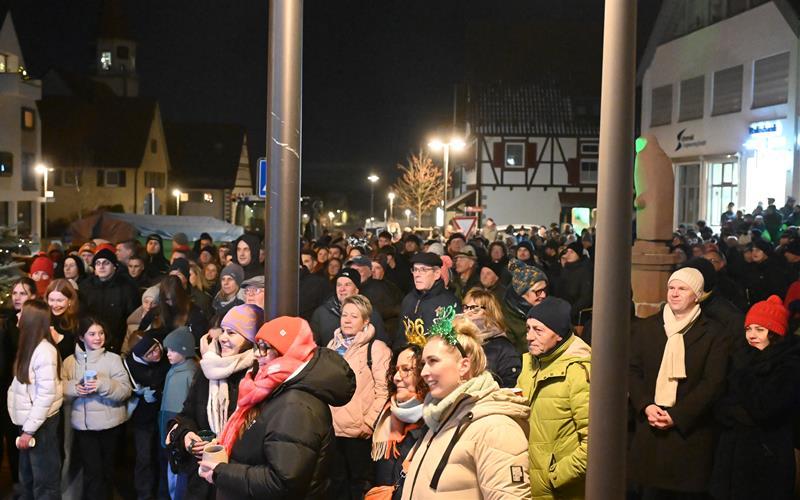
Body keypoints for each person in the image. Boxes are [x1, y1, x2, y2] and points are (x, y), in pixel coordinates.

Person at [196, 316, 357, 498]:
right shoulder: (273, 390)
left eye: (266, 347)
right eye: (257, 346)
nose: (257, 354)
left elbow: (282, 482)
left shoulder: (297, 406)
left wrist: (222, 472)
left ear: (288, 352)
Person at [401, 314, 531, 499]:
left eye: (433, 361)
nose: (423, 372)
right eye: (423, 363)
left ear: (463, 366)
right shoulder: (441, 418)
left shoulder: (496, 428)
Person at [628, 268, 730, 497]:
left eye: (682, 288)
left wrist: (677, 416)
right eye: (671, 288)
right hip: (650, 429)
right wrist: (646, 405)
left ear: (697, 294)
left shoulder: (714, 333)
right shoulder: (647, 327)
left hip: (689, 435)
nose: (674, 293)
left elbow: (713, 383)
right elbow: (632, 371)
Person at [709, 296, 800, 499]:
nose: (752, 335)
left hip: (767, 454)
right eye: (749, 328)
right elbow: (720, 401)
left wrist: (743, 378)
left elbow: (766, 408)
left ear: (775, 332)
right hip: (733, 452)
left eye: (760, 329)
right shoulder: (742, 356)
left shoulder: (789, 364)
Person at [169, 304, 261, 499]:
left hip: (239, 481)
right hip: (202, 478)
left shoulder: (258, 375)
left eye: (233, 333)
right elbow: (187, 415)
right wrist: (187, 435)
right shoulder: (208, 371)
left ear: (250, 339)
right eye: (224, 331)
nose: (223, 338)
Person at [518, 297, 590, 498]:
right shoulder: (531, 365)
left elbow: (594, 442)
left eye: (538, 330)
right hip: (527, 484)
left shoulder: (579, 372)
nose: (530, 337)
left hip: (560, 490)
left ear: (558, 334)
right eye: (528, 329)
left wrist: (555, 477)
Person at [327, 295, 392, 499]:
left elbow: (383, 391)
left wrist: (369, 423)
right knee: (335, 485)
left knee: (359, 486)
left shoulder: (376, 349)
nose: (347, 320)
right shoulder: (331, 347)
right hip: (331, 431)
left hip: (358, 434)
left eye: (354, 316)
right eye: (344, 315)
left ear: (366, 321)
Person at [62, 317, 133, 499]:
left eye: (101, 333)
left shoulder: (113, 359)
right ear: (81, 336)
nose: (98, 337)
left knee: (107, 471)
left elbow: (125, 390)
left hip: (110, 426)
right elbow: (59, 388)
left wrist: (102, 385)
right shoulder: (70, 362)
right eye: (92, 334)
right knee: (92, 471)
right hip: (83, 428)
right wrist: (74, 388)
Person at [7, 300, 63, 500]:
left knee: (44, 480)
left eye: (21, 312)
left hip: (40, 425)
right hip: (30, 422)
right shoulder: (29, 346)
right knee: (28, 478)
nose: (17, 315)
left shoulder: (44, 351)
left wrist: (29, 430)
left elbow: (45, 396)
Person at [368, 344, 427, 499]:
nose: (396, 377)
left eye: (406, 370)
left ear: (424, 373)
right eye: (396, 369)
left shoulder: (434, 420)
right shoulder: (387, 413)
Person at [0, 278, 36, 492]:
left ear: (32, 296)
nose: (16, 297)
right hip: (6, 387)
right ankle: (16, 484)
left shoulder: (37, 322)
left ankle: (23, 485)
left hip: (25, 388)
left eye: (22, 293)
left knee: (20, 438)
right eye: (14, 293)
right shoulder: (8, 322)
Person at [123, 333, 169, 500]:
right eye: (149, 354)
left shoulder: (165, 356)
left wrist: (158, 391)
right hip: (143, 417)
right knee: (144, 457)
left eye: (156, 348)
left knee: (162, 455)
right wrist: (138, 393)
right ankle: (144, 494)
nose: (155, 354)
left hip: (164, 412)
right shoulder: (130, 364)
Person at [160, 326, 199, 500]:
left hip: (178, 434)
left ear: (185, 350)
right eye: (168, 350)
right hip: (169, 429)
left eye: (173, 350)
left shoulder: (189, 373)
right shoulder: (174, 370)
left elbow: (187, 410)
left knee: (176, 479)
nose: (168, 353)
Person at [79, 246, 140, 353]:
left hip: (117, 341)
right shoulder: (85, 287)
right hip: (90, 342)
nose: (101, 266)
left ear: (114, 266)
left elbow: (132, 319)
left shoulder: (127, 287)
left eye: (106, 263)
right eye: (98, 263)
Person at [311, 268, 389, 348]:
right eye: (339, 285)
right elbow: (313, 347)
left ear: (356, 290)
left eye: (347, 284)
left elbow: (382, 345)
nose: (342, 289)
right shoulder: (321, 313)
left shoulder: (369, 313)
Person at [462, 288, 520, 388]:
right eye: (466, 307)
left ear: (490, 313)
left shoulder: (502, 346)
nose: (468, 313)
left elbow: (511, 383)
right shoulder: (460, 341)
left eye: (475, 309)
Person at [399, 252, 460, 341]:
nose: (417, 274)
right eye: (415, 269)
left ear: (437, 274)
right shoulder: (408, 300)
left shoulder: (449, 303)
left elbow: (454, 341)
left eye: (423, 270)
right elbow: (400, 337)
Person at [502, 259, 550, 353]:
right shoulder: (505, 318)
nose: (543, 295)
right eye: (538, 291)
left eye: (545, 289)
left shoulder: (550, 307)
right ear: (521, 294)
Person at [554, 241, 594, 327]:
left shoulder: (586, 270)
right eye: (567, 251)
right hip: (562, 308)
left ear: (578, 254)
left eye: (572, 252)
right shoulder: (567, 268)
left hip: (574, 312)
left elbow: (586, 297)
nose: (568, 254)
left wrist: (571, 311)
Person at [45, 279, 79, 361]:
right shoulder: (43, 318)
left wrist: (59, 340)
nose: (55, 305)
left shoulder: (77, 321)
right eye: (51, 300)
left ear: (70, 300)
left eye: (60, 300)